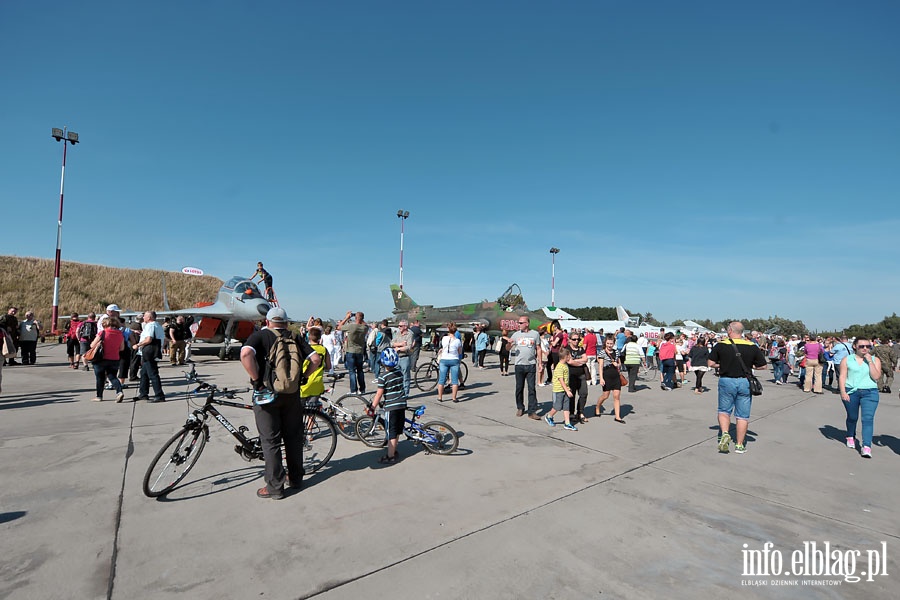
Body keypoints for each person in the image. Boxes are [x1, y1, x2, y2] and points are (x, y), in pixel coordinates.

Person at [241, 307, 320, 499]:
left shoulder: (261, 336)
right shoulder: (295, 337)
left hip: (267, 395)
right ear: (286, 322)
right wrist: (303, 377)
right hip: (292, 395)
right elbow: (316, 359)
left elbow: (245, 355)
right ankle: (296, 479)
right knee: (293, 438)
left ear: (268, 322)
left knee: (270, 441)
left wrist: (256, 379)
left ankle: (275, 487)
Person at [707, 321, 767, 455]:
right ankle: (739, 445)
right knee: (742, 416)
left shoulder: (722, 345)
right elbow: (763, 365)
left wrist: (722, 365)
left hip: (726, 380)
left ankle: (725, 433)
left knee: (724, 410)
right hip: (745, 381)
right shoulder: (752, 345)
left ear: (729, 331)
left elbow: (710, 363)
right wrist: (750, 366)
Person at [839, 337, 881, 458]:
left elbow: (876, 377)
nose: (865, 349)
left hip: (870, 392)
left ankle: (866, 446)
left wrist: (870, 362)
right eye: (861, 346)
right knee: (852, 417)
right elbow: (842, 376)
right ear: (855, 347)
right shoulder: (847, 359)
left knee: (867, 419)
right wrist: (843, 392)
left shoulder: (874, 359)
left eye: (868, 346)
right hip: (851, 391)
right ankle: (850, 435)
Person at [370, 348, 406, 464]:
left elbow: (379, 394)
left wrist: (372, 407)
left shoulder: (383, 377)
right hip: (401, 404)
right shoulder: (399, 372)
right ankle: (394, 450)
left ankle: (390, 456)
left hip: (391, 407)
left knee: (391, 432)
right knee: (397, 430)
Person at [510, 316, 542, 419]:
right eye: (518, 323)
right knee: (519, 388)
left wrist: (540, 363)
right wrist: (508, 345)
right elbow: (508, 347)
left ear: (527, 324)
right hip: (519, 365)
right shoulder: (516, 335)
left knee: (531, 388)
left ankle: (532, 411)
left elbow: (538, 348)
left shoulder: (535, 334)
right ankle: (520, 407)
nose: (519, 325)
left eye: (521, 323)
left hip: (531, 365)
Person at [89, 316, 125, 402]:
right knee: (112, 377)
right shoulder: (120, 334)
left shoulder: (103, 333)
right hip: (114, 358)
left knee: (100, 378)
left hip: (101, 358)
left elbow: (92, 345)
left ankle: (99, 396)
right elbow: (122, 348)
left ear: (105, 324)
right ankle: (119, 392)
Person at [133, 311, 166, 403]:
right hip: (151, 352)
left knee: (153, 374)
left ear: (149, 318)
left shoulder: (150, 326)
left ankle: (159, 395)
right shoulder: (158, 325)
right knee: (144, 374)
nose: (143, 318)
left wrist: (138, 345)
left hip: (149, 352)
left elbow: (148, 339)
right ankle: (143, 393)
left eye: (145, 316)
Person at [544, 347, 577, 431]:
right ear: (565, 356)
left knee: (566, 406)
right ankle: (549, 416)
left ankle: (567, 423)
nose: (570, 357)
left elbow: (565, 380)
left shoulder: (565, 365)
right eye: (569, 355)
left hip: (565, 389)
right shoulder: (559, 367)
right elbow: (561, 380)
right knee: (557, 406)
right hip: (559, 390)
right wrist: (567, 390)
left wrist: (568, 388)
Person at [595, 336, 625, 423]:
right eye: (608, 343)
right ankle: (597, 407)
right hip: (606, 375)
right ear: (605, 343)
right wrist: (601, 378)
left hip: (616, 376)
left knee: (616, 396)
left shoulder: (616, 352)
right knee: (605, 395)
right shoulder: (602, 353)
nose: (609, 345)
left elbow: (619, 363)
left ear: (614, 343)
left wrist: (617, 365)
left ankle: (617, 416)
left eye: (611, 343)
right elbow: (600, 366)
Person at [337, 311, 367, 394]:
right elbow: (365, 324)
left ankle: (354, 390)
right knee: (360, 371)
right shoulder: (364, 328)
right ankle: (362, 389)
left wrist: (347, 317)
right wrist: (360, 318)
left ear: (355, 318)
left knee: (352, 371)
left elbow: (339, 327)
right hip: (360, 351)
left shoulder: (351, 326)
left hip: (350, 350)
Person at [565, 331, 590, 423]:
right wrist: (580, 361)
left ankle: (580, 412)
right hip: (570, 375)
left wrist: (575, 361)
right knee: (572, 395)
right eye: (574, 339)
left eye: (578, 339)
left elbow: (586, 359)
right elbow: (569, 362)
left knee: (584, 393)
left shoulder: (581, 349)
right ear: (569, 340)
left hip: (581, 374)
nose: (576, 341)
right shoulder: (566, 349)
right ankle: (571, 413)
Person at [437, 323, 463, 403]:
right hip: (454, 360)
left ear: (448, 330)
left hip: (444, 359)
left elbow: (442, 346)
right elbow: (459, 352)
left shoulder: (444, 338)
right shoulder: (458, 341)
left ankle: (440, 397)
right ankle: (454, 398)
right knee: (455, 380)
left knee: (441, 379)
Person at [391, 319, 414, 397]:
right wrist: (400, 344)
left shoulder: (409, 334)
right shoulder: (397, 333)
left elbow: (409, 346)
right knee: (396, 375)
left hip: (405, 357)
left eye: (400, 326)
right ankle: (397, 392)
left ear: (405, 326)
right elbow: (392, 343)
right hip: (397, 357)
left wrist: (398, 348)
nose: (399, 327)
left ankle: (405, 394)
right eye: (398, 326)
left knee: (405, 377)